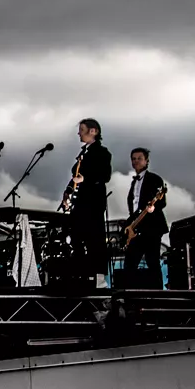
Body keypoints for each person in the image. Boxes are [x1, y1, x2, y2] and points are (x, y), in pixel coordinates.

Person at [61, 118, 114, 281]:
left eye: (82, 130)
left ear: (93, 131)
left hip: (92, 204)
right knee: (76, 238)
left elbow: (105, 175)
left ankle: (97, 278)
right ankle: (80, 275)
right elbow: (76, 176)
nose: (79, 133)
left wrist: (85, 179)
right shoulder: (83, 153)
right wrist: (68, 191)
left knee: (94, 240)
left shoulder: (102, 152)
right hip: (79, 203)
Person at [120, 147, 170, 289]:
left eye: (139, 158)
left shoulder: (155, 179)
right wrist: (128, 226)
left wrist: (153, 208)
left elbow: (162, 201)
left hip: (152, 228)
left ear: (147, 161)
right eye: (133, 159)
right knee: (130, 263)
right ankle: (129, 295)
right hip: (136, 229)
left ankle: (158, 295)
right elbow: (134, 210)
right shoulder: (134, 183)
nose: (136, 161)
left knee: (152, 262)